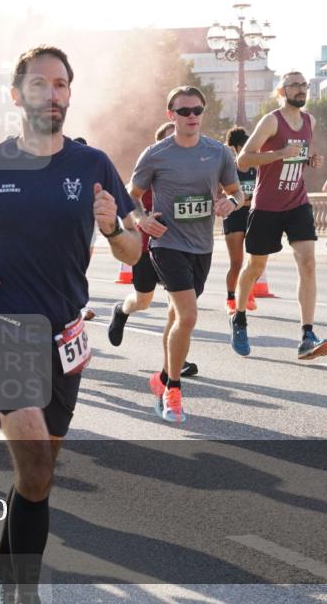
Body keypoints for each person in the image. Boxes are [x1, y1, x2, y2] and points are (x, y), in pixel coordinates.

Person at [0, 46, 142, 600]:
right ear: (17, 95)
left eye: (62, 84)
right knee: (39, 464)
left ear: (70, 94)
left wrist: (114, 228)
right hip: (3, 327)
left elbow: (134, 254)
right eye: (40, 84)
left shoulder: (93, 165)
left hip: (65, 334)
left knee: (36, 475)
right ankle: (22, 592)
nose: (53, 93)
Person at [128, 87, 242, 422]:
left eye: (197, 110)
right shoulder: (155, 154)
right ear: (171, 115)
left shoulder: (218, 152)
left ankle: (161, 377)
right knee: (189, 316)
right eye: (184, 111)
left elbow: (238, 193)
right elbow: (130, 195)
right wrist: (142, 219)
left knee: (177, 318)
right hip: (166, 245)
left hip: (202, 247)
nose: (191, 116)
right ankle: (173, 391)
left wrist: (230, 203)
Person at [229, 71, 327, 360]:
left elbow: (298, 155)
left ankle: (307, 334)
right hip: (267, 206)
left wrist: (311, 160)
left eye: (304, 85)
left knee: (308, 263)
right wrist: (279, 153)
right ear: (281, 91)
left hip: (297, 202)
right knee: (255, 267)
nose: (301, 90)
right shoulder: (271, 120)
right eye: (294, 85)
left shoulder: (310, 120)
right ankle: (238, 318)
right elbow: (244, 159)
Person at [107, 122, 200, 378]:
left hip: (180, 249)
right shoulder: (148, 169)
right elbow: (126, 204)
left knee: (178, 308)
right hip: (148, 250)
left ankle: (173, 364)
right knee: (142, 301)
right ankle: (121, 310)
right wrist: (141, 221)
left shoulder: (192, 171)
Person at [221, 126, 258, 314]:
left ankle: (248, 294)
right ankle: (230, 298)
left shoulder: (256, 169)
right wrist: (244, 202)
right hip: (234, 217)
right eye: (244, 146)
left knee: (254, 261)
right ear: (236, 147)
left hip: (251, 216)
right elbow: (224, 196)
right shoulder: (230, 169)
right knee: (236, 262)